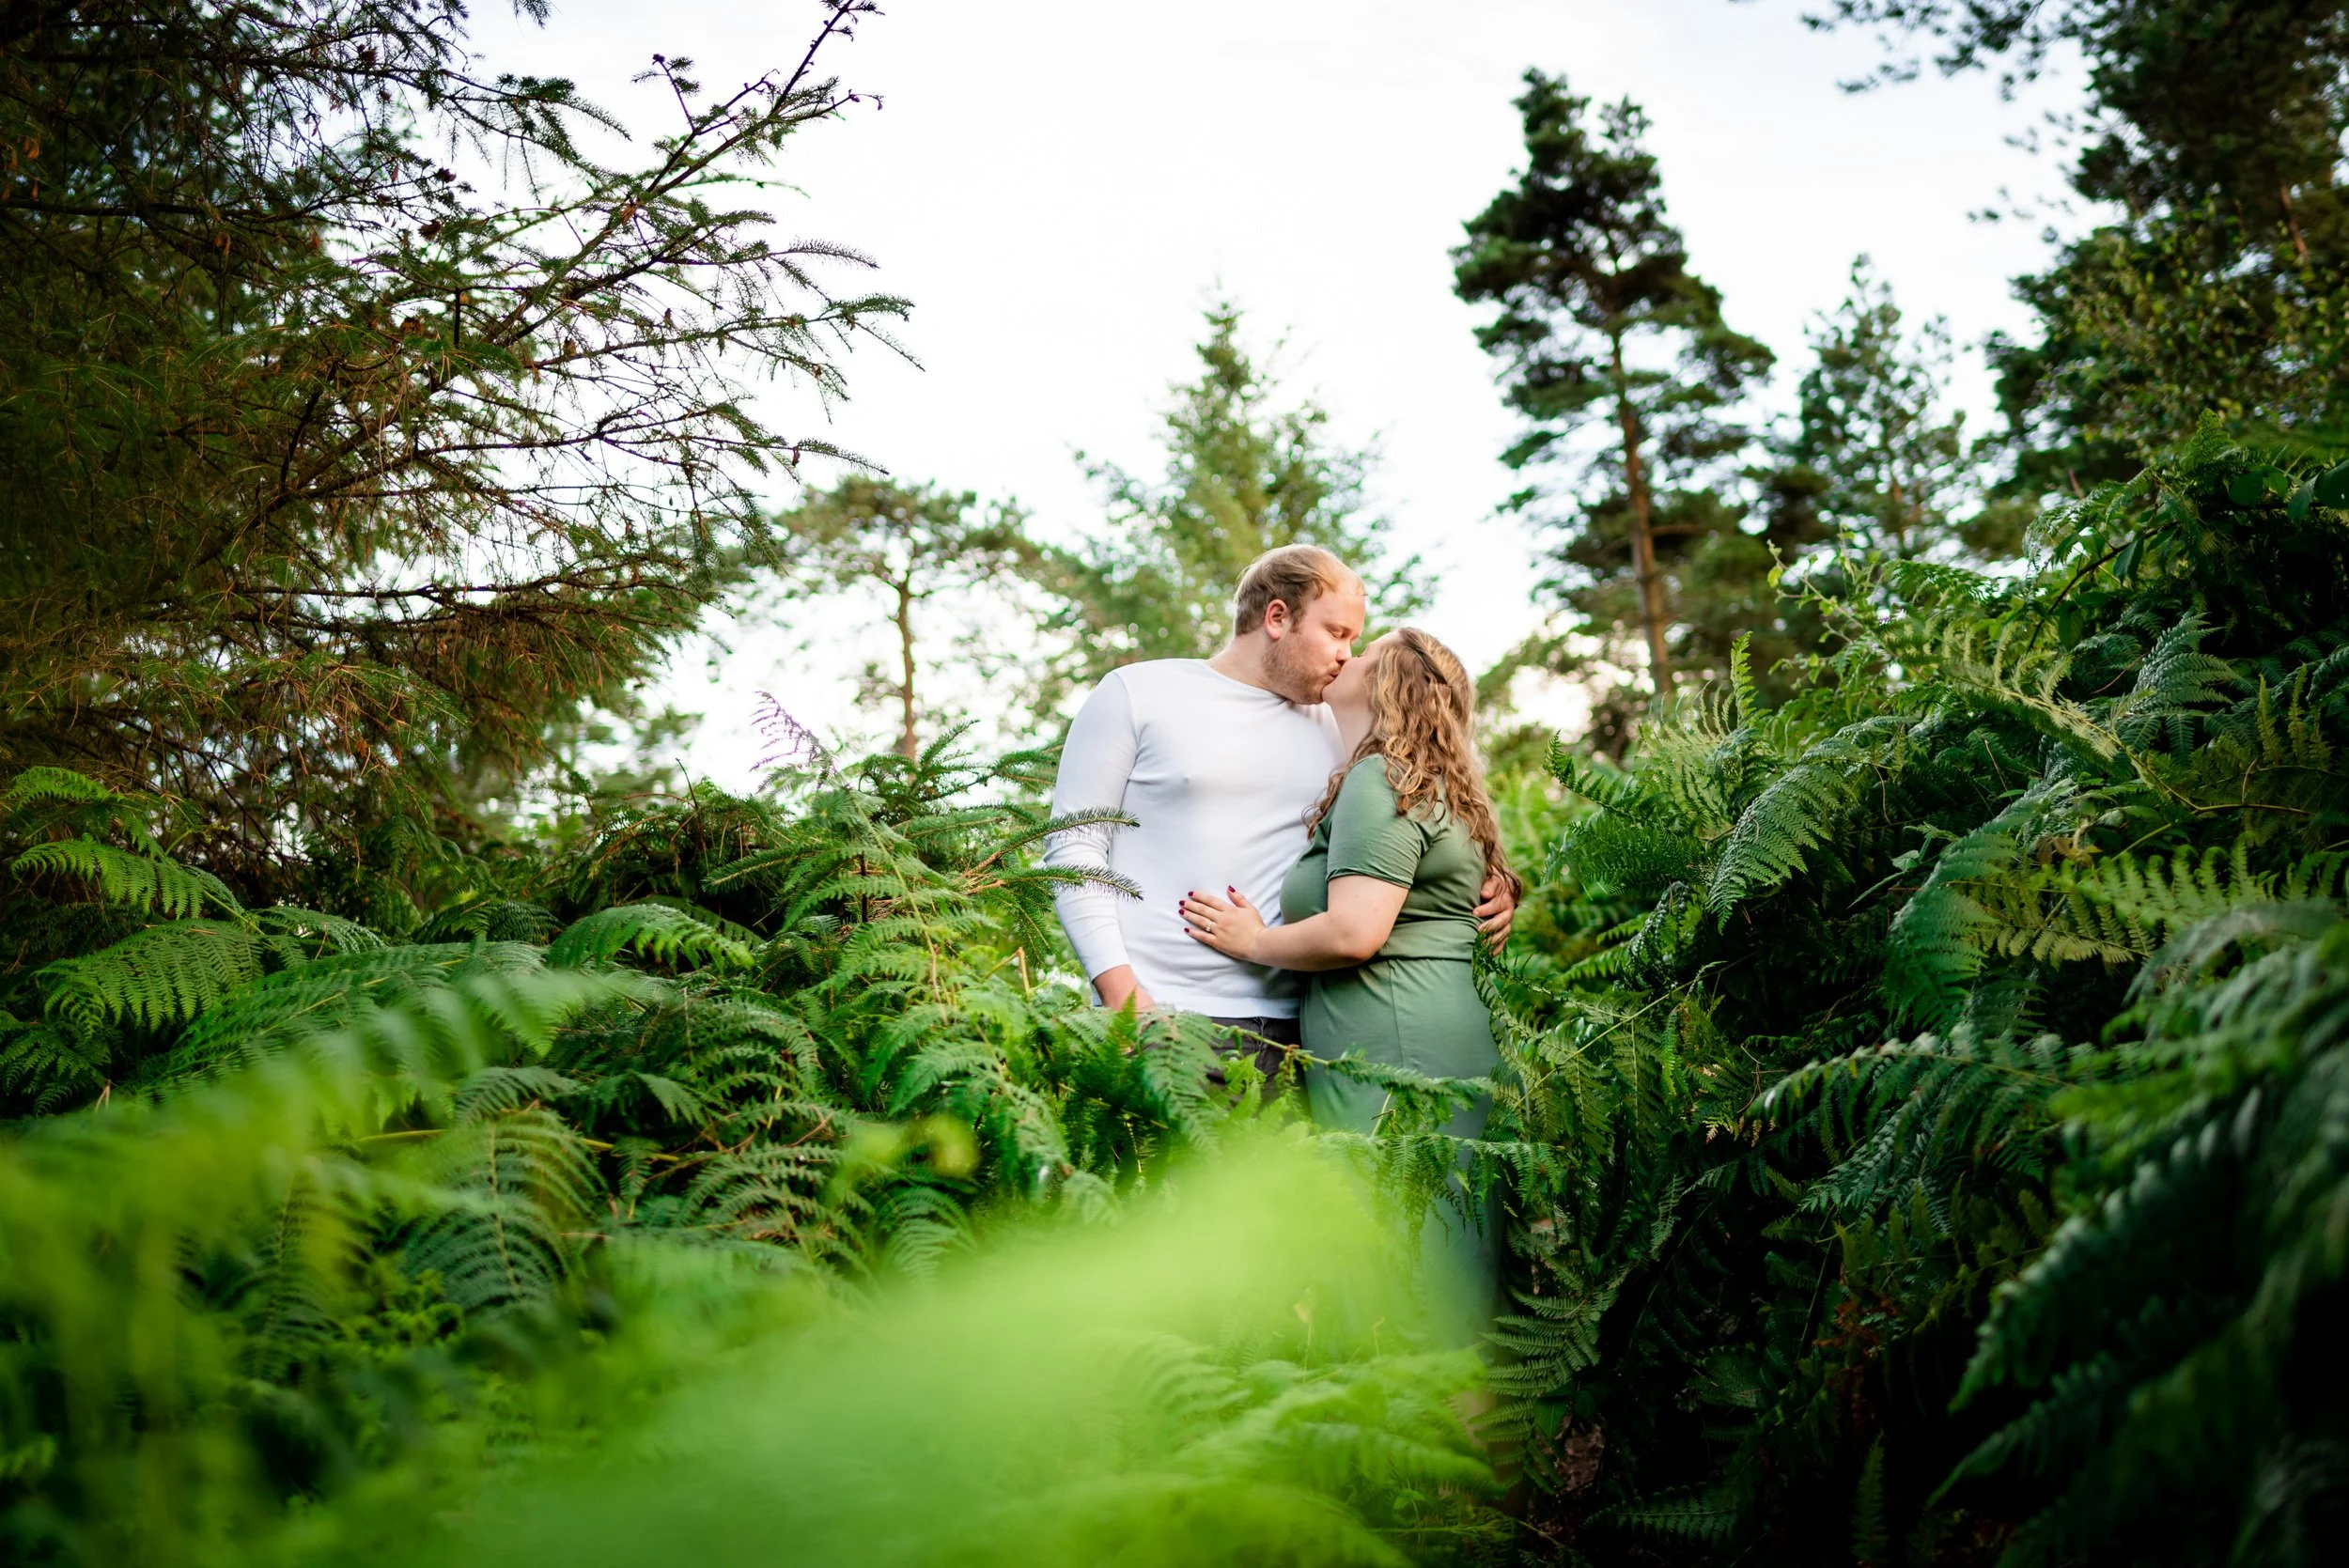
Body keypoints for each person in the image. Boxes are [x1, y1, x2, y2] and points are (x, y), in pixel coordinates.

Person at [1045, 546, 1515, 1085]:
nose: (1347, 654)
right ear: (1277, 617)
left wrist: (1486, 880)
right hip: (1168, 1018)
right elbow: (1074, 849)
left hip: (1311, 1033)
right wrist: (1124, 997)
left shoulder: (1345, 721)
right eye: (1337, 633)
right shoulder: (1139, 693)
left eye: (1355, 641)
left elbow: (1422, 811)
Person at [1175, 628, 1518, 1347]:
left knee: (1410, 1248)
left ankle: (1434, 1440)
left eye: (1363, 651)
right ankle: (1461, 1439)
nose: (1345, 656)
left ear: (1389, 681)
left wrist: (1253, 941)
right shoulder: (1428, 782)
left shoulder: (1380, 777)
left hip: (1396, 1041)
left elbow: (1356, 930)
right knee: (1444, 1240)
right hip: (1431, 1029)